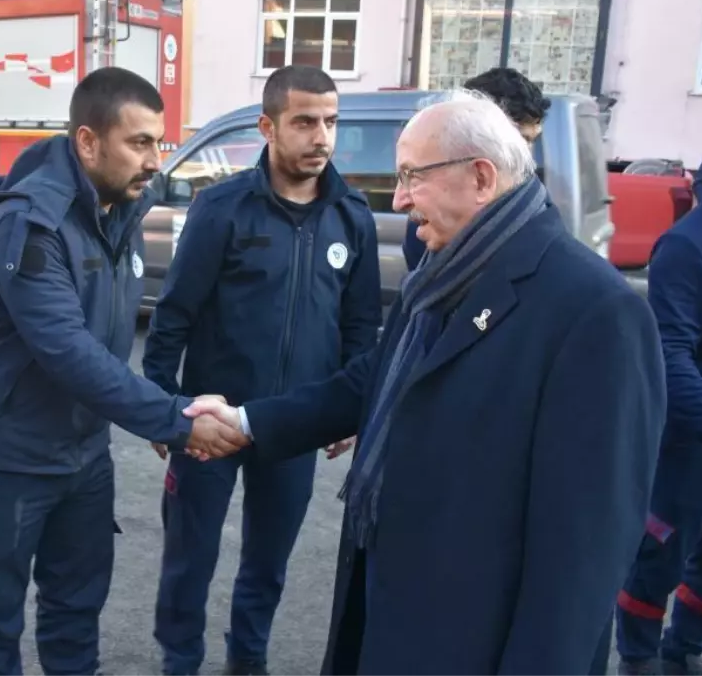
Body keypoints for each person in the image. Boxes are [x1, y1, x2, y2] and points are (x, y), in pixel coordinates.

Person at [185, 89, 666, 675]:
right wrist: (246, 420)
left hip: (474, 641)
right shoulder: (446, 274)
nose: (402, 198)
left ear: (482, 178)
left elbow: (586, 553)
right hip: (391, 608)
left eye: (413, 176)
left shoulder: (596, 312)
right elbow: (378, 378)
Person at [0, 66, 249, 676]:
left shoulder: (122, 210)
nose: (155, 160)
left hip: (83, 454)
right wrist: (174, 422)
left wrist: (164, 407)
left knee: (76, 610)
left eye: (159, 142)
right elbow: (67, 351)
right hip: (7, 458)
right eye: (139, 143)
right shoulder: (30, 224)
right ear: (88, 142)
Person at [143, 64, 381, 676]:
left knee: (268, 563)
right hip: (209, 424)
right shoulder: (222, 208)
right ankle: (181, 660)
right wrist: (163, 408)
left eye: (330, 122)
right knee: (189, 559)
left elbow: (359, 328)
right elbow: (174, 314)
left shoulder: (351, 214)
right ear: (267, 127)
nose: (321, 137)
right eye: (304, 122)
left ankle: (247, 659)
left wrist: (347, 410)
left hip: (291, 427)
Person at [613, 152, 702, 676]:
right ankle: (640, 656)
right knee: (661, 553)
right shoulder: (686, 248)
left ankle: (686, 646)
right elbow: (671, 353)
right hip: (687, 439)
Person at [403, 67, 550, 271]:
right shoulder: (426, 223)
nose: (525, 154)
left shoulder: (539, 222)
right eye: (519, 140)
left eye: (530, 141)